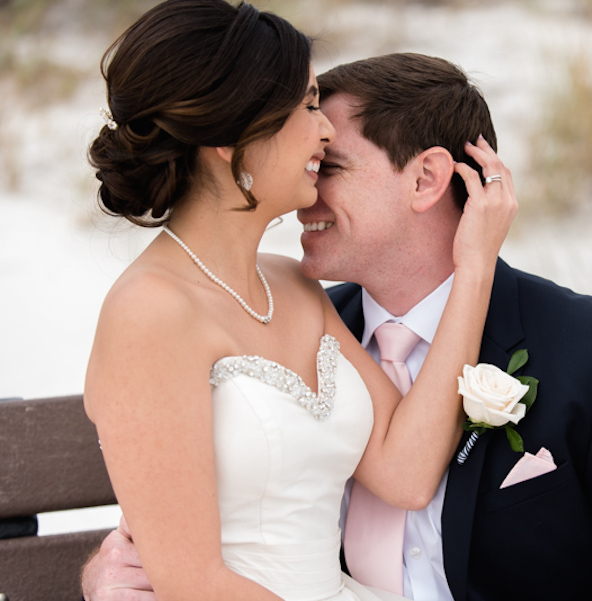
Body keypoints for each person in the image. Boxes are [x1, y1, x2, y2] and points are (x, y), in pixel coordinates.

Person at [81, 51, 592, 600]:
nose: (310, 183)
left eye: (330, 166)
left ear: (425, 179)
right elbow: (188, 512)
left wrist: (475, 271)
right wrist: (108, 572)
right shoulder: (285, 317)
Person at [82, 1, 516, 600]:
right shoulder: (149, 312)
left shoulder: (290, 286)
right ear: (234, 133)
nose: (327, 129)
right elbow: (192, 583)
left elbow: (407, 470)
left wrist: (475, 268)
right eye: (309, 104)